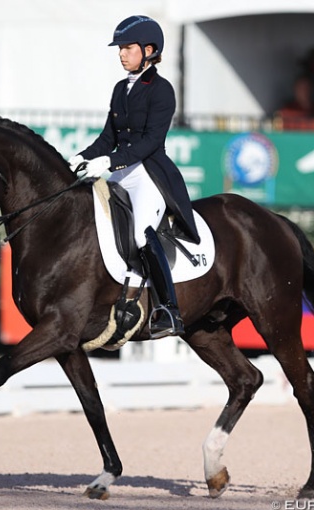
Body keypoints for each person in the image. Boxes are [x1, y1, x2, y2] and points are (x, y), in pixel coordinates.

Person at [68, 15, 200, 339]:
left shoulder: (162, 90)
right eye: (121, 48)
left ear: (149, 50)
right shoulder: (119, 89)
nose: (121, 53)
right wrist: (81, 157)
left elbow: (150, 142)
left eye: (127, 47)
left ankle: (168, 309)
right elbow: (107, 138)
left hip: (147, 174)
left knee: (141, 234)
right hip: (119, 171)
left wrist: (108, 162)